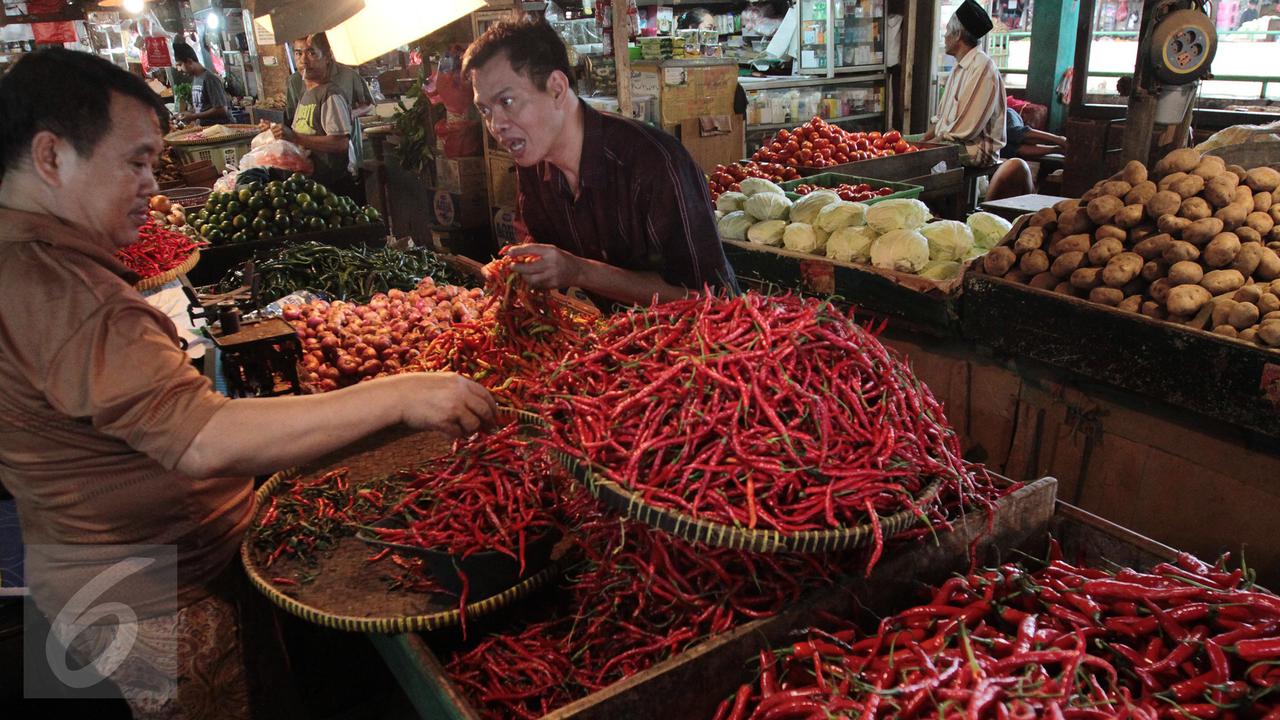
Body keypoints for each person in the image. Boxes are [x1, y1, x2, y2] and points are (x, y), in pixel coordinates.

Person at [0, 48, 496, 719]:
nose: (150, 183)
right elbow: (204, 437)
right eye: (137, 161)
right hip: (152, 604)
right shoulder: (66, 292)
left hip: (95, 580)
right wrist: (402, 394)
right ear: (51, 156)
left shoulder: (25, 262)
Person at [462, 18, 739, 308]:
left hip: (713, 333)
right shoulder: (533, 160)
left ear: (556, 88)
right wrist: (513, 270)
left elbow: (709, 299)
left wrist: (579, 271)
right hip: (619, 330)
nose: (496, 125)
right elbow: (535, 247)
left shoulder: (654, 164)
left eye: (507, 102)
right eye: (485, 110)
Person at [923, 0, 1031, 201]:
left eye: (947, 31)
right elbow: (942, 121)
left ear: (958, 35)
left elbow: (964, 132)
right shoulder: (959, 67)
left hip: (977, 150)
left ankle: (938, 208)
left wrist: (924, 147)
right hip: (954, 141)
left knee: (916, 159)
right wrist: (920, 140)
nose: (944, 36)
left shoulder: (982, 68)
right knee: (905, 145)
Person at [264, 32, 357, 198]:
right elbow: (303, 132)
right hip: (309, 186)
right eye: (298, 53)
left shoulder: (330, 95)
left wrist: (294, 137)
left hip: (331, 190)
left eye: (311, 53)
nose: (304, 60)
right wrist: (274, 132)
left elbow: (340, 143)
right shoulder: (306, 93)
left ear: (327, 57)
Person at [284, 61, 373, 125]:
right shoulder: (295, 81)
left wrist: (352, 114)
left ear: (326, 54)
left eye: (312, 53)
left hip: (348, 139)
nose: (304, 58)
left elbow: (369, 104)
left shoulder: (348, 75)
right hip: (310, 142)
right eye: (299, 53)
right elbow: (291, 116)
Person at [172, 40, 229, 126]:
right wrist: (185, 114)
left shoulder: (210, 79)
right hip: (205, 129)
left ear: (189, 61)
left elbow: (222, 109)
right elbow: (201, 108)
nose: (179, 70)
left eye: (180, 65)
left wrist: (194, 116)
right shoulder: (196, 78)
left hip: (219, 130)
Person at [1002, 107, 1068, 160]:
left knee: (1011, 132)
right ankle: (1058, 150)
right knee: (1006, 148)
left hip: (1004, 115)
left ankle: (1060, 140)